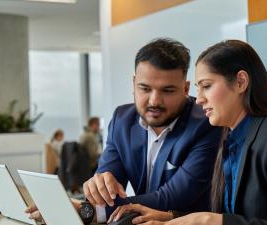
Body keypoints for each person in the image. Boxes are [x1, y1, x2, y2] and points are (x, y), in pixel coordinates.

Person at [109, 40, 267, 225]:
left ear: (240, 82)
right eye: (198, 89)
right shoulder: (229, 137)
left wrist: (209, 220)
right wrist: (171, 218)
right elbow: (234, 215)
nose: (199, 99)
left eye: (206, 86)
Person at [80, 38, 222, 223]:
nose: (154, 101)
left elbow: (170, 198)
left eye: (168, 90)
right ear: (133, 84)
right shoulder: (122, 120)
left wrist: (89, 210)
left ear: (185, 89)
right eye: (145, 88)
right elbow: (106, 190)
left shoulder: (207, 124)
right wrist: (97, 192)